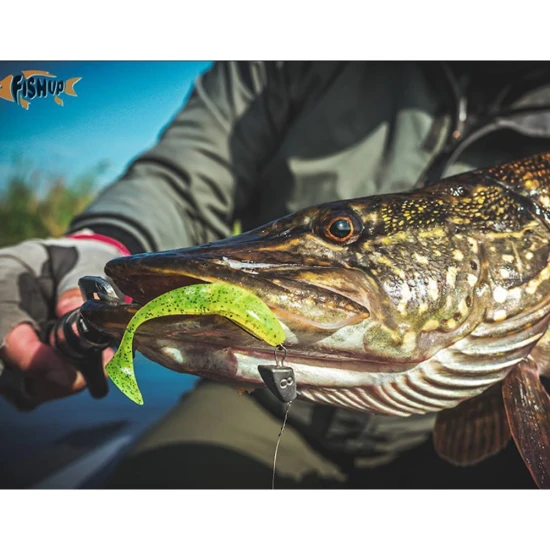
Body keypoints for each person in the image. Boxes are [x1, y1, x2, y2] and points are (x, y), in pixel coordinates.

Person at [1, 61, 550, 488]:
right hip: (270, 398)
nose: (338, 234)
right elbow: (190, 173)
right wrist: (94, 247)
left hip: (448, 428)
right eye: (339, 229)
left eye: (339, 232)